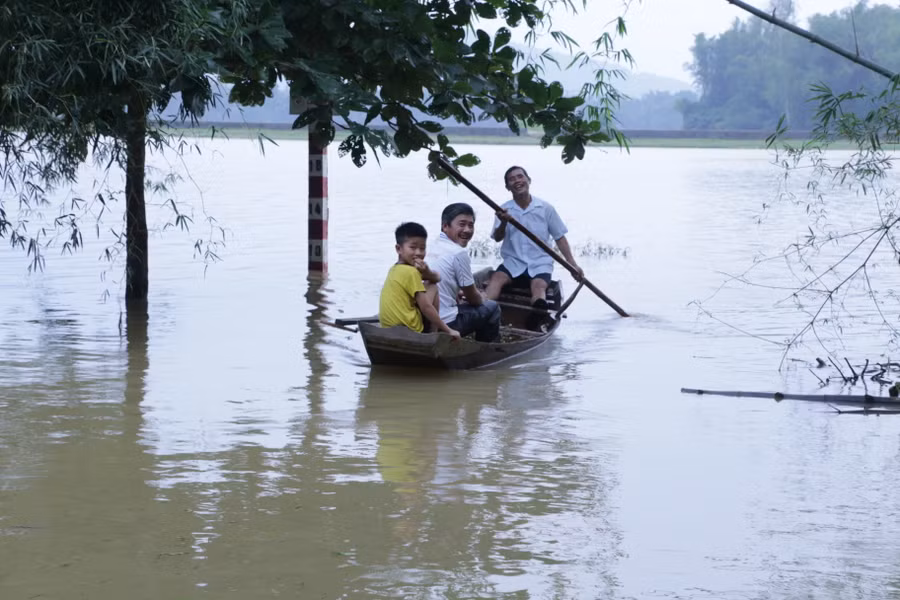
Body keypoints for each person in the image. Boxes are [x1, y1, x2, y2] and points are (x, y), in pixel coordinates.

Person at [485, 165, 583, 314]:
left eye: (520, 177)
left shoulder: (545, 208)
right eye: (511, 179)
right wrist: (504, 221)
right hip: (513, 263)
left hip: (540, 264)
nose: (517, 181)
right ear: (507, 187)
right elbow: (498, 238)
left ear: (528, 180)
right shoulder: (503, 210)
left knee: (538, 287)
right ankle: (482, 308)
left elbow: (560, 238)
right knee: (496, 279)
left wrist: (573, 265)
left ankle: (538, 310)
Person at [428, 203, 502, 342]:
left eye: (471, 225)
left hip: (425, 319)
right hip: (445, 322)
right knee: (492, 308)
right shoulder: (458, 253)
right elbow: (474, 298)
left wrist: (458, 293)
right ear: (445, 226)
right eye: (462, 224)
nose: (467, 230)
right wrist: (483, 298)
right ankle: (486, 350)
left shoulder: (430, 245)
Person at [379, 222, 461, 340]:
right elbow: (426, 307)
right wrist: (448, 330)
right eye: (413, 247)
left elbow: (437, 277)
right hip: (411, 329)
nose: (418, 253)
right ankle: (433, 335)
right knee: (433, 287)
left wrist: (426, 271)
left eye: (422, 248)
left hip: (388, 328)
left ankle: (432, 333)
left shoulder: (394, 269)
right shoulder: (411, 272)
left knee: (430, 283)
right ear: (399, 249)